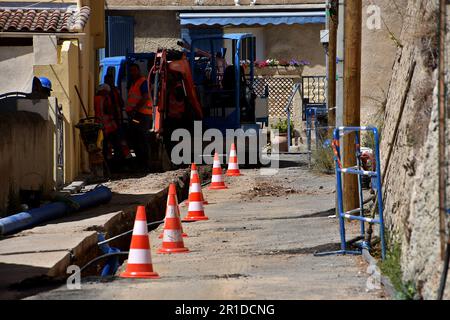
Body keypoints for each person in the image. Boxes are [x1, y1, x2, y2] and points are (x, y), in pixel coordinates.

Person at [94, 84, 131, 165]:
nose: (107, 93)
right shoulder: (105, 99)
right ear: (103, 91)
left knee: (106, 146)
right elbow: (109, 110)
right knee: (117, 144)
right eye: (107, 92)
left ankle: (108, 162)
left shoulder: (95, 99)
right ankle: (119, 162)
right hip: (109, 126)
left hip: (101, 126)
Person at [126, 63, 153, 170]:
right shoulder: (134, 83)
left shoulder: (142, 82)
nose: (132, 73)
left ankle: (145, 164)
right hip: (136, 115)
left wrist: (135, 110)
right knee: (136, 139)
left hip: (141, 115)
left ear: (138, 71)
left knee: (142, 139)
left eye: (134, 70)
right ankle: (141, 163)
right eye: (131, 71)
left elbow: (145, 97)